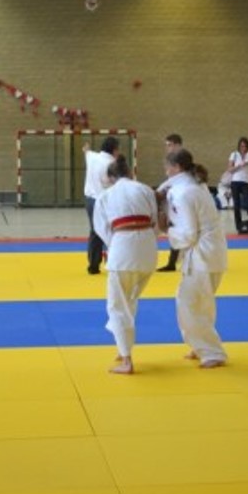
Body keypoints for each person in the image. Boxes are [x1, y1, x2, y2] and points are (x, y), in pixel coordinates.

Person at [159, 148, 227, 369]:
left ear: (176, 167)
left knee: (188, 302)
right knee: (202, 303)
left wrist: (166, 231)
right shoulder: (196, 185)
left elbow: (189, 234)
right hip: (212, 253)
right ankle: (201, 346)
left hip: (202, 256)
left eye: (167, 167)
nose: (165, 171)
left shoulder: (184, 193)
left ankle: (211, 352)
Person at [92, 155, 158, 375]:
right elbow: (155, 220)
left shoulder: (105, 196)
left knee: (117, 305)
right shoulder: (145, 190)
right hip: (148, 251)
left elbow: (101, 229)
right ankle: (123, 347)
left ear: (111, 178)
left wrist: (116, 245)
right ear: (129, 173)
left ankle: (127, 359)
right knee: (129, 300)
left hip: (123, 250)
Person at [83, 137, 120, 274]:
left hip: (89, 200)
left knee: (95, 231)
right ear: (114, 150)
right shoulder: (111, 164)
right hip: (104, 201)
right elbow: (111, 182)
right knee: (111, 230)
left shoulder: (92, 156)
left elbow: (86, 151)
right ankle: (113, 260)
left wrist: (86, 148)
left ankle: (93, 264)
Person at [156, 133, 184, 272]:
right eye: (166, 145)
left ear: (178, 145)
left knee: (181, 229)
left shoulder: (183, 160)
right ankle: (172, 261)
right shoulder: (170, 159)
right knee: (173, 229)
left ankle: (174, 261)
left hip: (182, 199)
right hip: (173, 199)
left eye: (170, 145)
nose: (168, 148)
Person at [227, 136, 248, 235]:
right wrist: (239, 165)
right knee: (236, 205)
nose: (243, 148)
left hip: (246, 182)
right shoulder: (234, 154)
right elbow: (230, 169)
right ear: (239, 146)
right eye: (241, 146)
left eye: (245, 146)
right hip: (235, 181)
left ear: (247, 146)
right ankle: (239, 226)